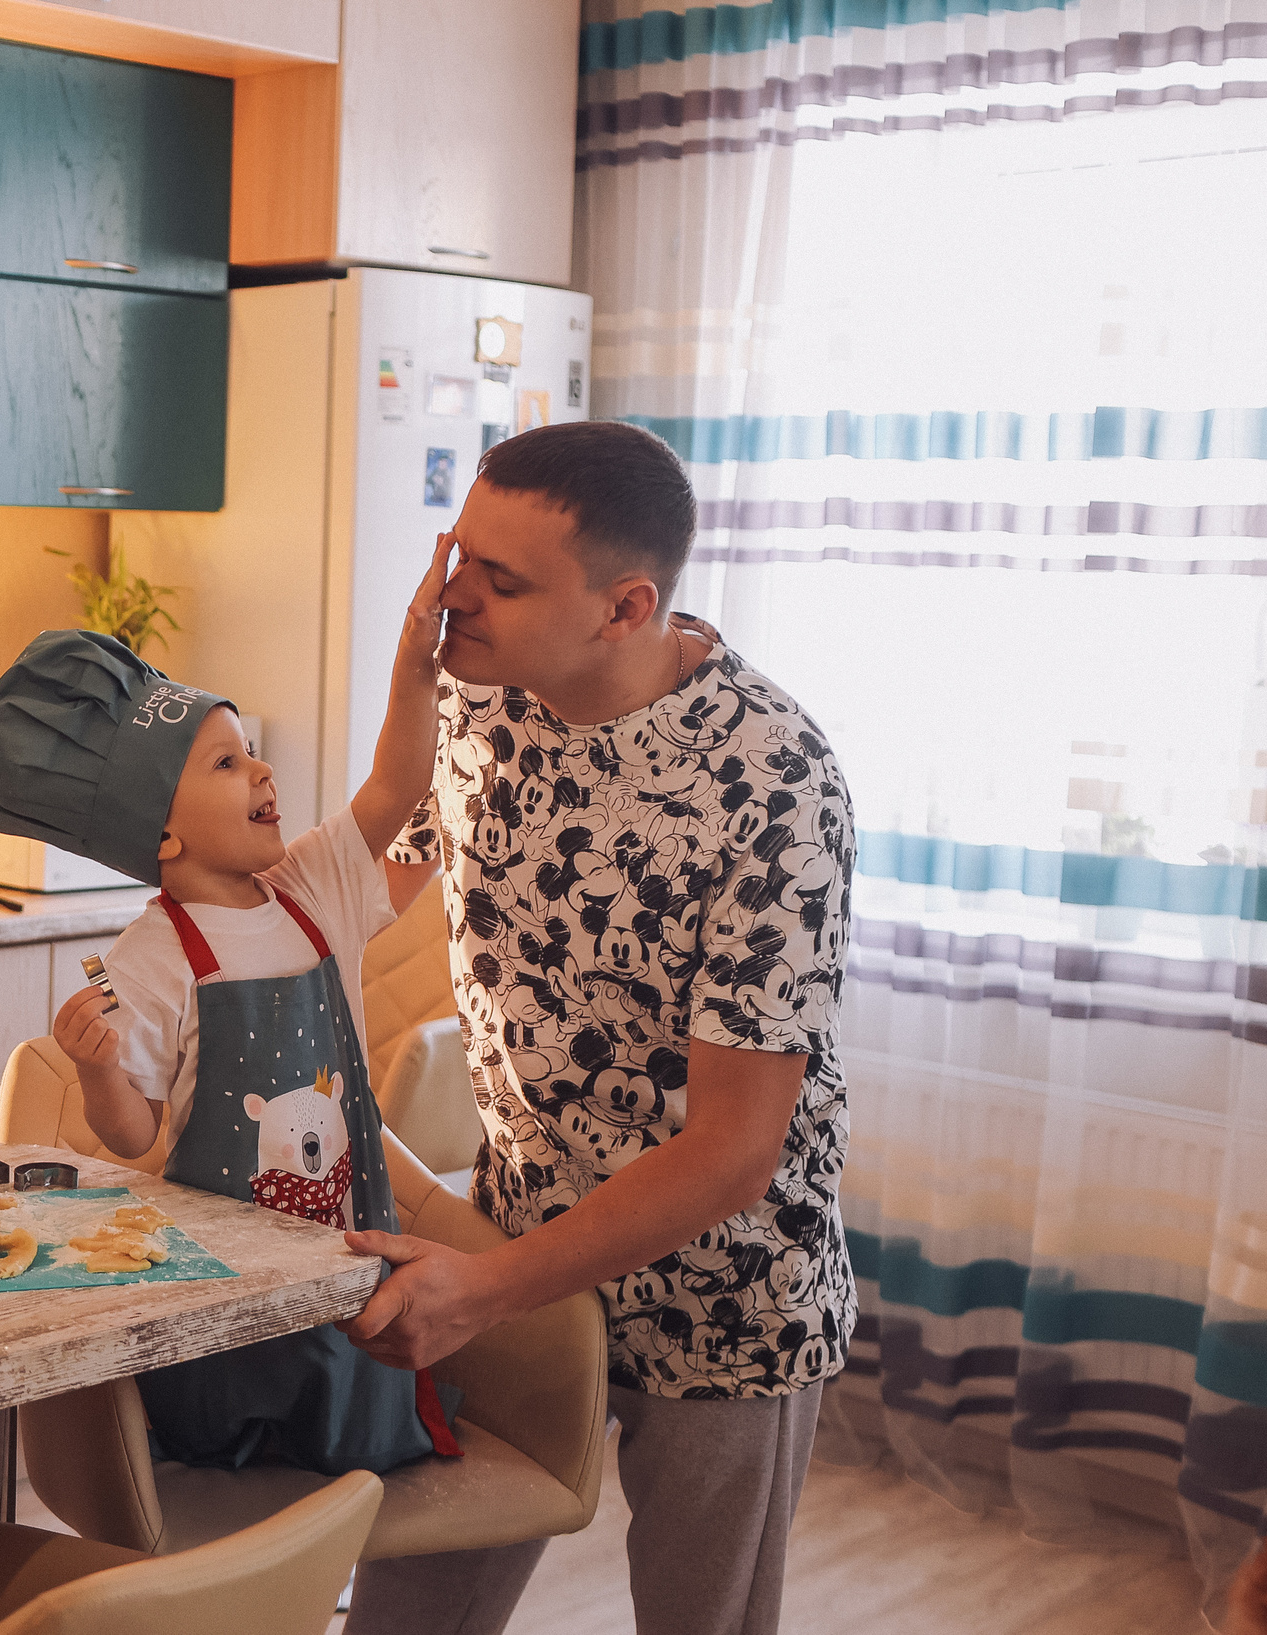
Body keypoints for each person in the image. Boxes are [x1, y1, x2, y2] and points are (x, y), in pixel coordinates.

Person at [336, 420, 856, 1635]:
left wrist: (483, 1290)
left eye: (498, 580)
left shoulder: (774, 782)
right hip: (510, 1238)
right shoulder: (478, 703)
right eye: (454, 554)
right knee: (409, 1613)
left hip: (724, 1299)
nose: (449, 598)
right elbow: (346, 907)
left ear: (624, 609)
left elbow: (735, 1152)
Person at [0, 612, 462, 1479]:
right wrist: (95, 1066)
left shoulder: (312, 886)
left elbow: (397, 781)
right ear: (163, 835)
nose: (262, 769)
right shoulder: (147, 957)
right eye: (226, 762)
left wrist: (416, 663)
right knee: (228, 1472)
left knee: (340, 1467)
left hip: (341, 1262)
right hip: (221, 1288)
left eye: (251, 750)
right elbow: (131, 1134)